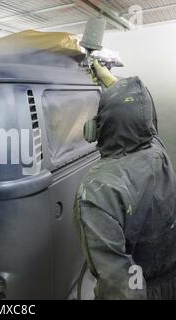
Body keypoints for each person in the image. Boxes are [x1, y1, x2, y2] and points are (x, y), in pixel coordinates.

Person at [73, 61, 176, 300]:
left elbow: (120, 286)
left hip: (144, 291)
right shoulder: (156, 150)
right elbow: (141, 107)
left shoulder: (96, 190)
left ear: (99, 127)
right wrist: (109, 78)